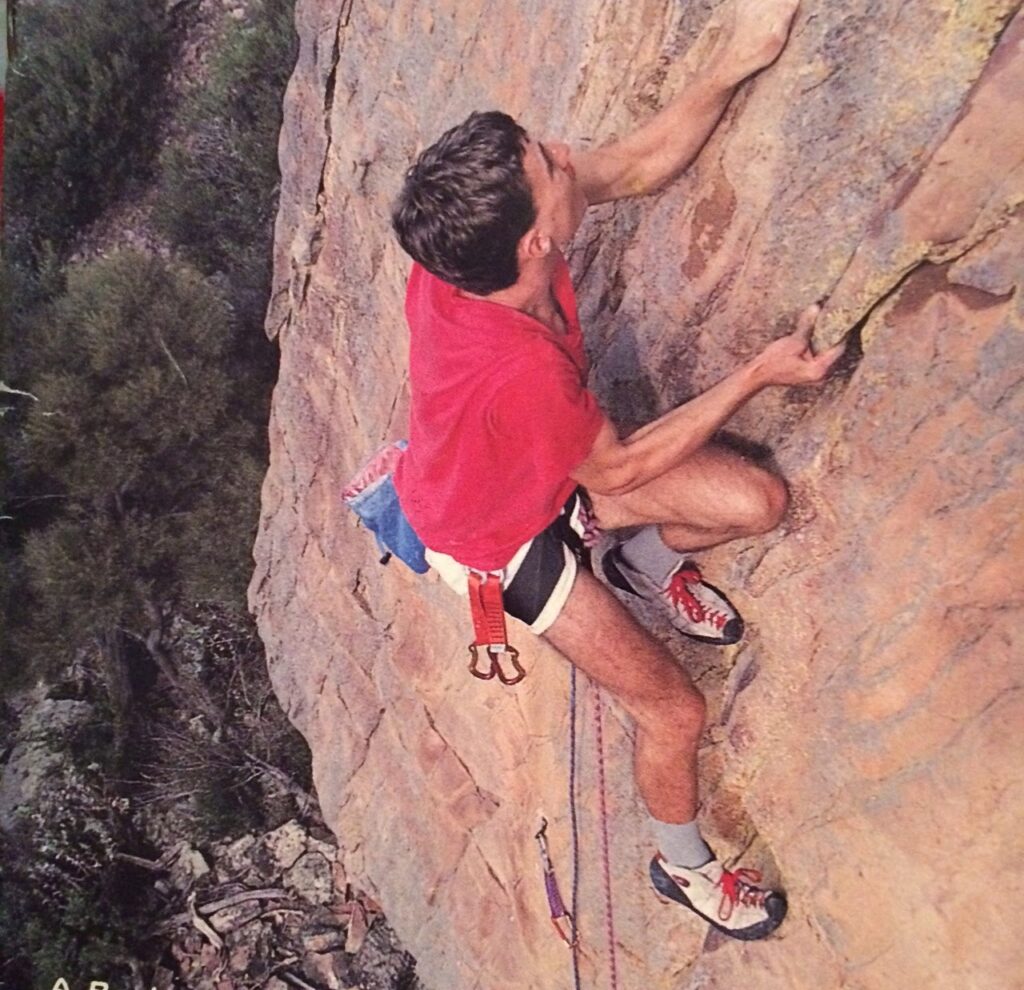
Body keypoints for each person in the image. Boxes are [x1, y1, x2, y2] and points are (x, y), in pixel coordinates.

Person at [390, 0, 843, 941]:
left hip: (549, 468)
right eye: (549, 162)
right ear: (536, 244)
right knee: (672, 710)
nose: (564, 153)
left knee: (754, 502)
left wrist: (738, 57)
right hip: (495, 538)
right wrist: (758, 373)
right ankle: (686, 870)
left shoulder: (477, 256)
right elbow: (625, 459)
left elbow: (635, 163)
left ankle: (636, 562)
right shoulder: (516, 369)